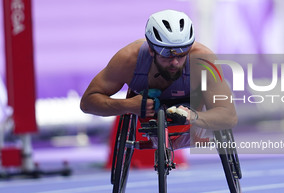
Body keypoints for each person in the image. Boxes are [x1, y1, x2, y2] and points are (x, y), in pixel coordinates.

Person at [80, 10, 237, 137]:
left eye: (182, 54)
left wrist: (194, 116)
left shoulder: (203, 59)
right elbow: (87, 103)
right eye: (166, 55)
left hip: (192, 106)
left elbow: (229, 115)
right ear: (151, 49)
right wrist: (127, 105)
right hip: (144, 106)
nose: (174, 62)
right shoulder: (128, 59)